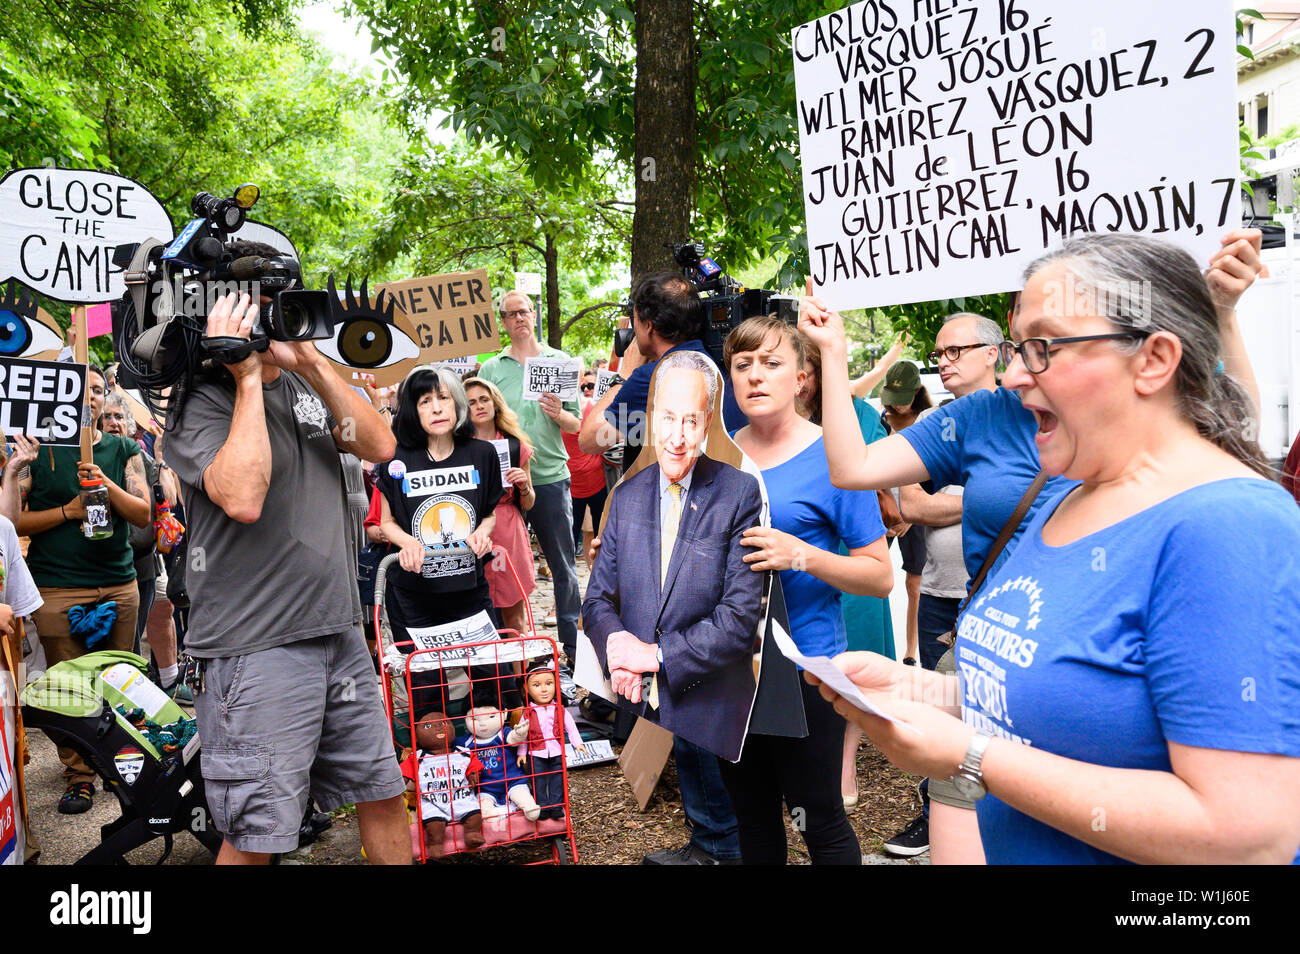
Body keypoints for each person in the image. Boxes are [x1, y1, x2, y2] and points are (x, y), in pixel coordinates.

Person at [807, 231, 1300, 864]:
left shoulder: (1230, 526)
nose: (1013, 375)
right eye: (1017, 348)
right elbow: (1065, 699)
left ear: (1153, 360)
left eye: (1044, 348)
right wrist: (917, 691)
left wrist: (968, 754)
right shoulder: (1071, 498)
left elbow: (1249, 837)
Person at [166, 287, 408, 864]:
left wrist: (313, 362)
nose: (274, 318)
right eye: (259, 307)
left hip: (338, 632)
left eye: (282, 304)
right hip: (256, 647)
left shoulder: (306, 381)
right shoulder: (199, 400)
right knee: (258, 833)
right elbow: (243, 498)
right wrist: (247, 376)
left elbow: (378, 443)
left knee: (382, 794)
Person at [719, 316, 891, 865]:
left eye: (771, 364)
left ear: (801, 379)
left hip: (807, 669)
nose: (755, 376)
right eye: (743, 365)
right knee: (752, 820)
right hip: (727, 670)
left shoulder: (834, 455)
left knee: (819, 819)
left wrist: (803, 556)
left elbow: (880, 574)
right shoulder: (714, 456)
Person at [583, 348, 764, 761]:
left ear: (707, 424)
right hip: (639, 699)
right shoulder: (626, 497)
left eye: (691, 421)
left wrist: (655, 656)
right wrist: (619, 648)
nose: (677, 438)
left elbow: (738, 619)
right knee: (694, 821)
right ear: (650, 419)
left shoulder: (738, 493)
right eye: (667, 418)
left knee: (720, 819)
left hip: (710, 707)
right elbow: (597, 600)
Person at [883, 312, 1002, 858]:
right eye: (939, 353)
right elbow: (912, 505)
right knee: (938, 722)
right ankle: (932, 817)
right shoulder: (938, 426)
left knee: (999, 716)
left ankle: (1002, 819)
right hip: (939, 596)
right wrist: (982, 500)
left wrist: (959, 501)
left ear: (992, 353)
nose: (944, 363)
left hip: (992, 599)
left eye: (957, 351)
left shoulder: (1021, 421)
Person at [18, 363, 151, 815]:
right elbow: (11, 522)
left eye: (96, 390)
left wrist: (104, 483)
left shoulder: (124, 447)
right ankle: (79, 777)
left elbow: (142, 514)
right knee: (68, 689)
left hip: (118, 585)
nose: (87, 398)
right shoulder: (37, 454)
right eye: (78, 389)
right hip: (57, 589)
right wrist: (69, 511)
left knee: (120, 683)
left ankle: (125, 769)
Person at [478, 291, 582, 664]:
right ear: (503, 322)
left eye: (524, 311)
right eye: (511, 314)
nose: (519, 318)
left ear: (534, 315)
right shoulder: (492, 369)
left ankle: (571, 647)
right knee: (499, 566)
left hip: (551, 476)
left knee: (563, 565)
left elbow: (577, 423)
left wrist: (560, 414)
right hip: (504, 485)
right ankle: (505, 648)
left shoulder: (561, 362)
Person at [375, 367, 502, 639]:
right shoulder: (395, 459)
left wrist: (482, 533)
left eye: (443, 398)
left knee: (491, 676)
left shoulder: (483, 454)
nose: (436, 409)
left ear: (457, 403)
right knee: (426, 680)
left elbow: (489, 515)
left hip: (470, 589)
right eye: (425, 401)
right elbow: (386, 522)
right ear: (413, 410)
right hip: (413, 594)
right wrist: (408, 543)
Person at [578, 272, 746, 466]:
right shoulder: (721, 365)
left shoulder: (652, 377)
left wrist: (625, 375)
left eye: (635, 321)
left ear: (649, 326)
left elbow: (590, 440)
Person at [463, 376, 536, 636]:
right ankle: (491, 675)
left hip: (508, 530)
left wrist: (524, 485)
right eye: (471, 402)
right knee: (476, 619)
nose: (479, 406)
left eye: (484, 399)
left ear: (495, 404)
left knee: (514, 618)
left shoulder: (516, 446)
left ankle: (519, 676)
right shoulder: (457, 448)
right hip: (470, 532)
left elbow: (528, 502)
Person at [878, 360, 932, 667]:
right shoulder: (880, 422)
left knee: (915, 585)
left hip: (916, 516)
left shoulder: (928, 422)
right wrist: (888, 508)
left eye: (903, 401)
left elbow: (935, 478)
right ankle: (879, 644)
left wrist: (910, 515)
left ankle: (910, 652)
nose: (896, 408)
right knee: (874, 577)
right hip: (884, 513)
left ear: (917, 393)